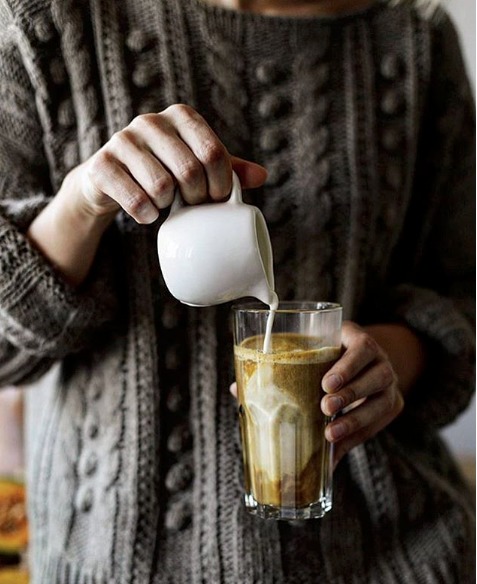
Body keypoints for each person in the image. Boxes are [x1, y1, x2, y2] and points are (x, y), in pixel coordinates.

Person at [0, 0, 474, 582]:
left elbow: (463, 300)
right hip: (118, 557)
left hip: (388, 551)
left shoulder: (414, 37)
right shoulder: (50, 21)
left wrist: (386, 363)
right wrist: (81, 203)